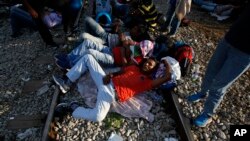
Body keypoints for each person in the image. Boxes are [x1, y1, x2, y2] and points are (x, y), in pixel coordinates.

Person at [186, 2, 250, 127]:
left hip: (244, 53)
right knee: (210, 70)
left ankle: (207, 114)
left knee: (219, 84)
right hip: (229, 40)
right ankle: (203, 92)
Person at [52, 55, 171, 122]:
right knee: (88, 57)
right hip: (106, 81)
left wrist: (166, 63)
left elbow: (167, 77)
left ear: (152, 70)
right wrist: (111, 75)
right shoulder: (133, 68)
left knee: (98, 117)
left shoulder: (148, 82)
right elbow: (120, 72)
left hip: (110, 95)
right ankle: (66, 82)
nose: (147, 64)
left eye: (150, 65)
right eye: (147, 62)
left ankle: (73, 107)